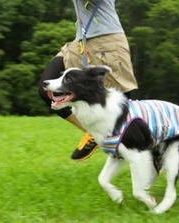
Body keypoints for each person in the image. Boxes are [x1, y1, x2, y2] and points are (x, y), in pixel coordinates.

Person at [38, 0, 138, 161]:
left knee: (128, 106)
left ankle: (155, 151)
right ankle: (93, 133)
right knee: (47, 88)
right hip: (81, 43)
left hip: (107, 43)